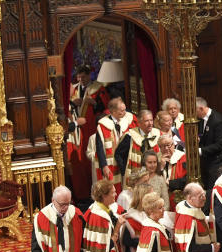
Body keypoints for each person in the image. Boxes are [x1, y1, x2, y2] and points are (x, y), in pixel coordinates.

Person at [67, 65, 107, 201]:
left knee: (90, 158)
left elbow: (104, 109)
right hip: (77, 130)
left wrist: (94, 103)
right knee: (79, 162)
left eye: (83, 77)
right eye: (79, 77)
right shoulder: (75, 89)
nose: (81, 79)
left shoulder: (98, 88)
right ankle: (82, 194)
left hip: (91, 127)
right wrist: (74, 103)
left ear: (89, 75)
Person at [90, 97, 136, 195]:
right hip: (110, 164)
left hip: (125, 161)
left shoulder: (129, 120)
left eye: (124, 109)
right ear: (113, 112)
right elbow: (99, 147)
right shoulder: (103, 125)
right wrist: (104, 166)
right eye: (121, 111)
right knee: (110, 190)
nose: (125, 112)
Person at [121, 182, 153, 252]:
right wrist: (146, 241)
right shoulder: (130, 215)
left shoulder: (148, 214)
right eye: (150, 196)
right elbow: (126, 240)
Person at [114, 109, 160, 179]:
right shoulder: (129, 136)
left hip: (153, 175)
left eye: (151, 120)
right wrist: (124, 171)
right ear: (139, 123)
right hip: (135, 177)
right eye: (147, 121)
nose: (150, 123)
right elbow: (118, 155)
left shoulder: (156, 134)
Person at [197, 97, 222, 187]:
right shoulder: (200, 120)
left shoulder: (218, 120)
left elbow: (220, 144)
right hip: (205, 162)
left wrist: (201, 151)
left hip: (216, 163)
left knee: (212, 188)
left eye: (195, 111)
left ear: (201, 108)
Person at [157, 134, 188, 202]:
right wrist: (161, 167)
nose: (166, 148)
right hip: (160, 199)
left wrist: (169, 183)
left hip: (179, 198)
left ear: (173, 145)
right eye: (163, 146)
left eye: (168, 145)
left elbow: (188, 179)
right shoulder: (156, 159)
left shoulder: (183, 158)